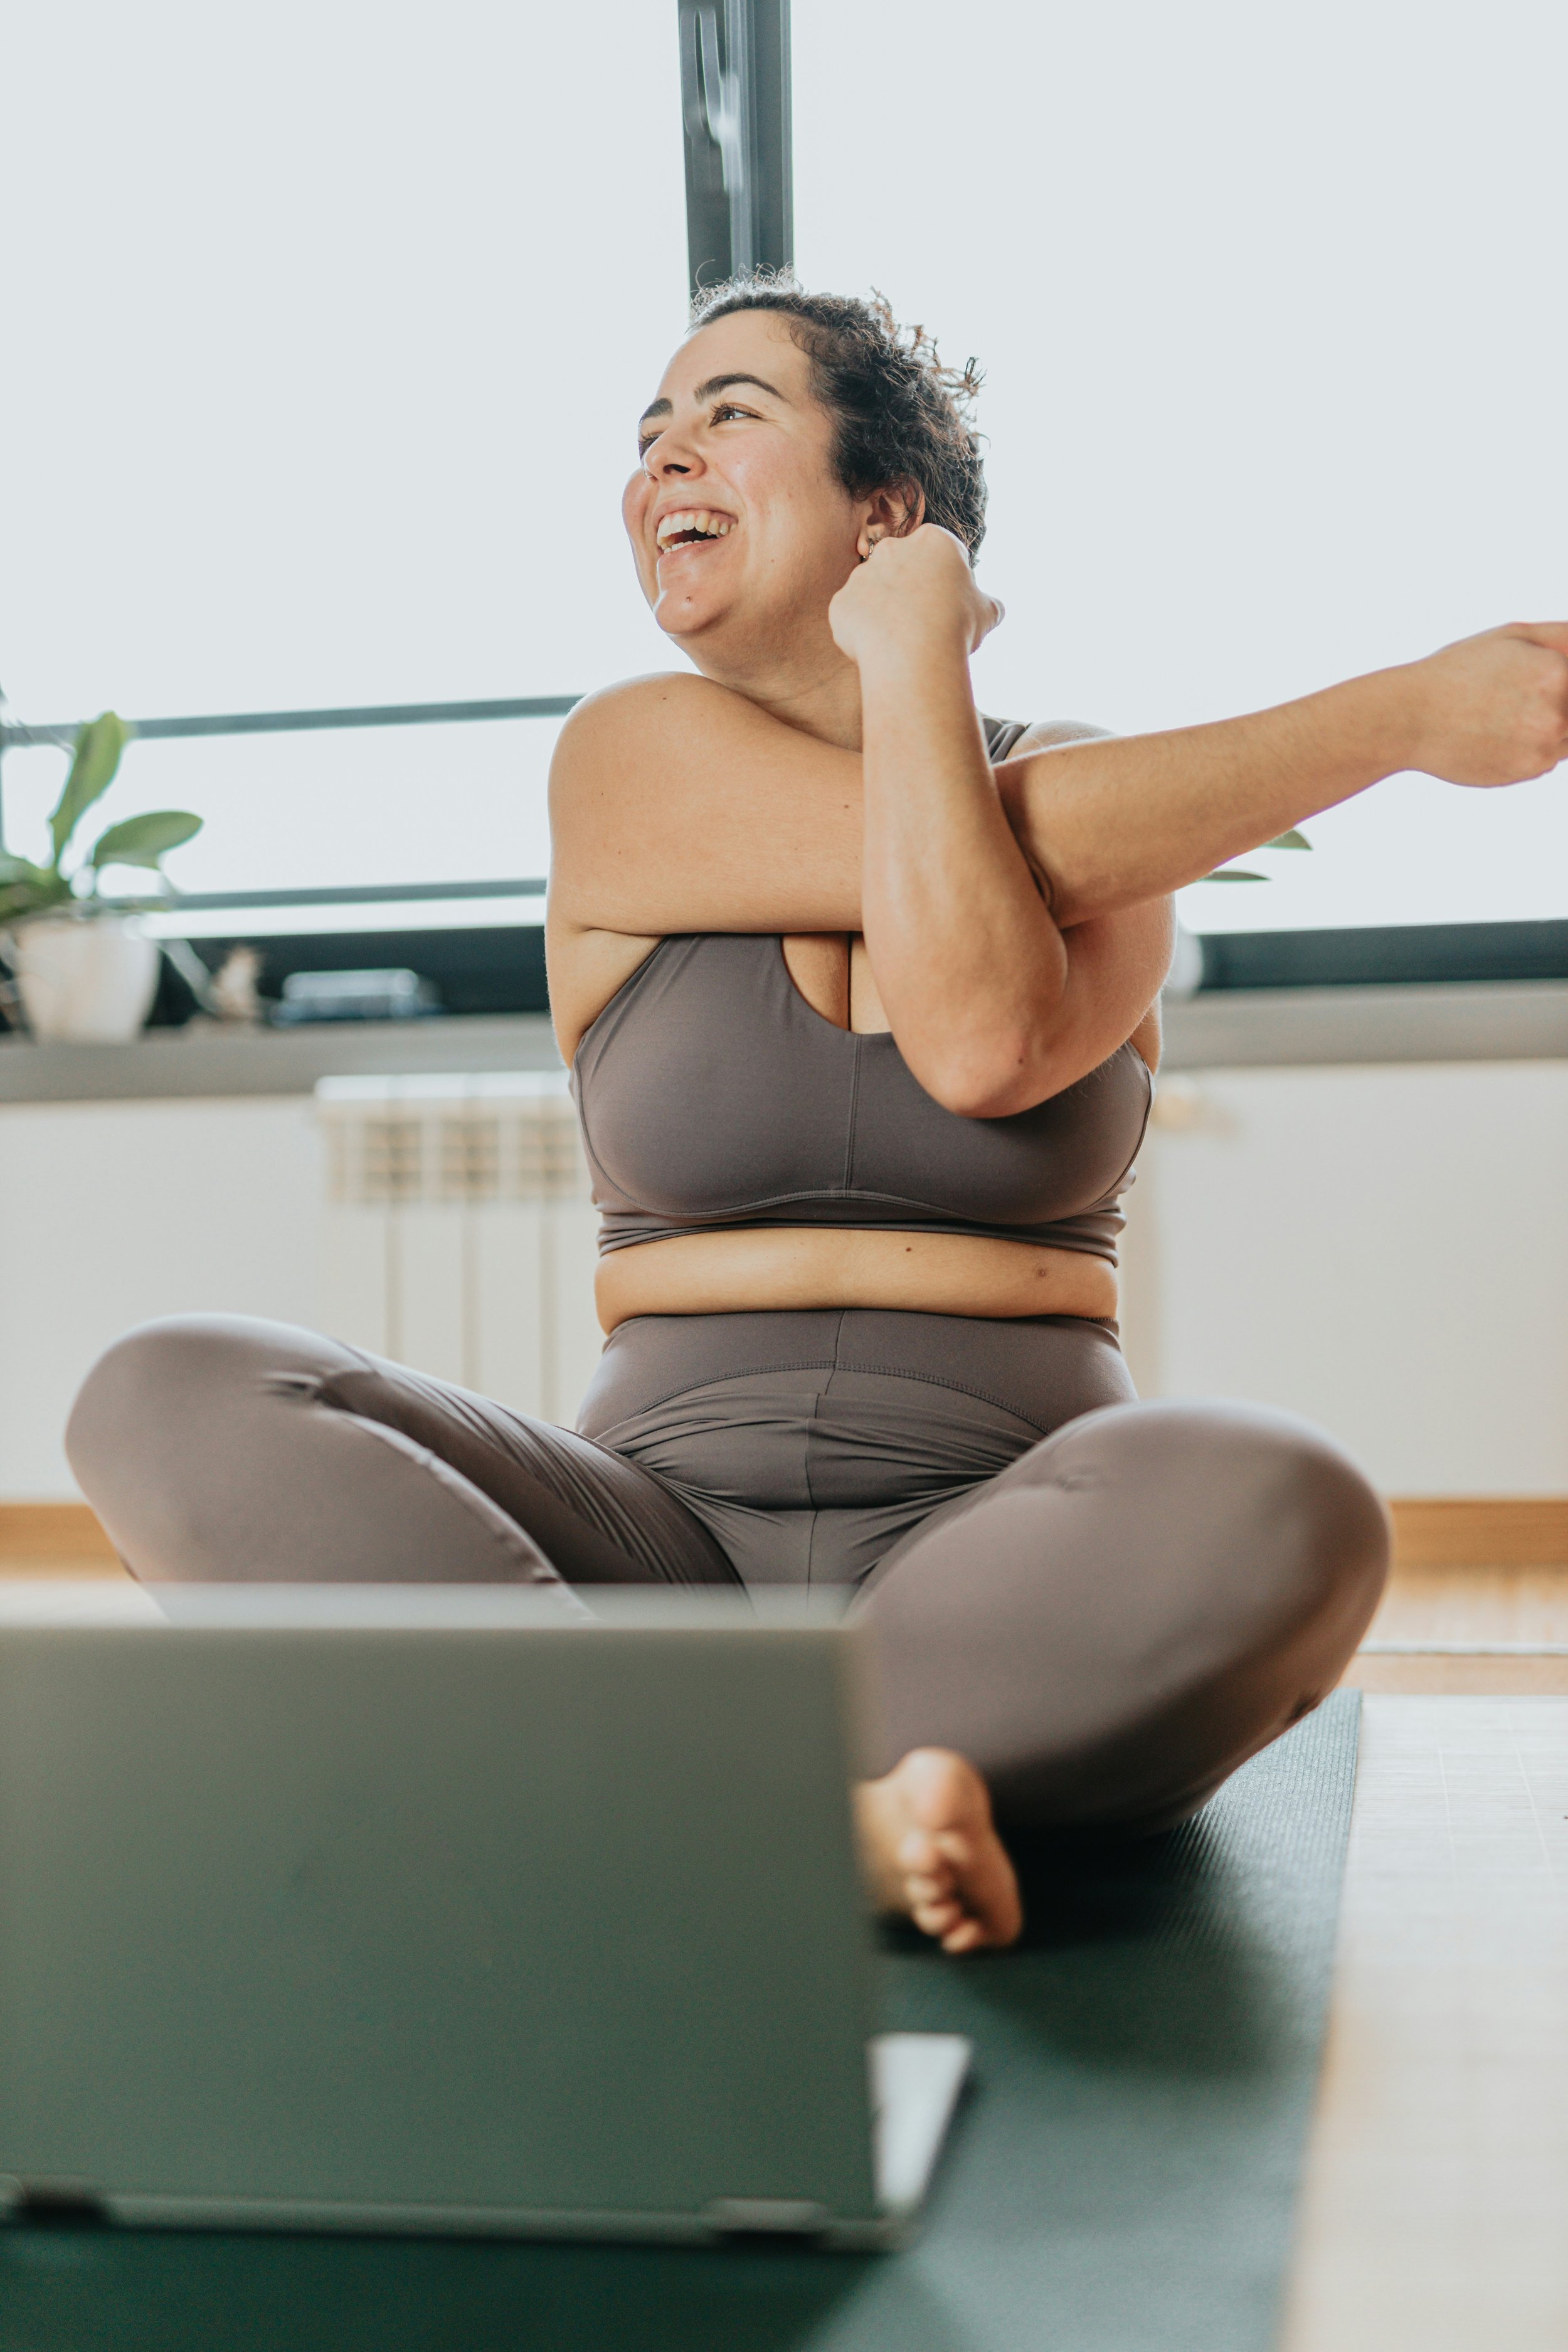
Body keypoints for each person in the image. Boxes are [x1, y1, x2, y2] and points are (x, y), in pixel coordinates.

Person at [68, 281, 1568, 1955]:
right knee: (169, 1387)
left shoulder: (1087, 781)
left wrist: (908, 659)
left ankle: (604, 1802)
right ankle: (796, 1821)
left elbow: (984, 1036)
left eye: (726, 411)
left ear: (887, 512)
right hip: (646, 1551)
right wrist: (1402, 718)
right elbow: (1031, 878)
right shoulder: (627, 758)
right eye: (644, 437)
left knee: (1286, 1500)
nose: (661, 461)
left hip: (998, 1547)